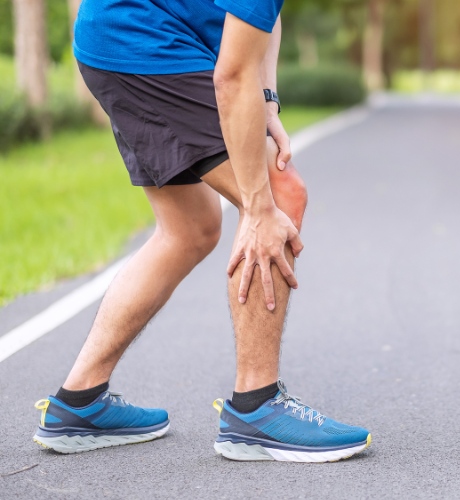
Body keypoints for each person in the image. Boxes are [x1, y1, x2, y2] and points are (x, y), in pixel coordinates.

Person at [31, 0, 371, 463]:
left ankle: (79, 402)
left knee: (190, 228)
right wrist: (256, 206)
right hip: (145, 43)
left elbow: (265, 20)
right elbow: (231, 77)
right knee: (279, 193)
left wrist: (267, 102)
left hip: (119, 41)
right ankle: (256, 408)